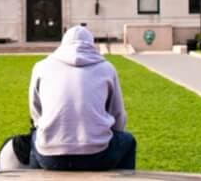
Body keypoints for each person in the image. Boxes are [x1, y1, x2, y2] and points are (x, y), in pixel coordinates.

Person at [27, 25, 136, 170]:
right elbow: (117, 113)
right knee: (128, 141)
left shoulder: (41, 67)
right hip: (98, 154)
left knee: (37, 140)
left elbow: (35, 111)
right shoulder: (106, 68)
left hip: (50, 156)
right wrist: (112, 134)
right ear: (91, 44)